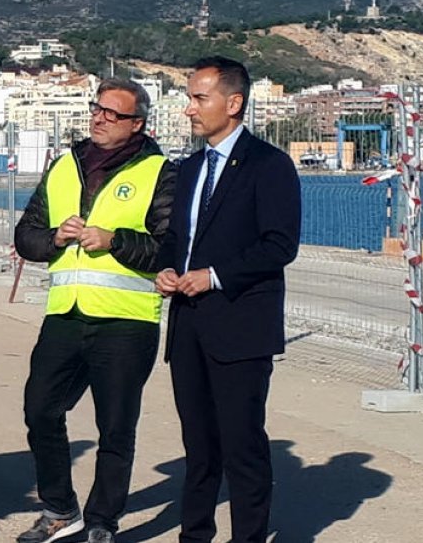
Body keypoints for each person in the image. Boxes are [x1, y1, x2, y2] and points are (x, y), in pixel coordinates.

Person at [14, 79, 177, 543]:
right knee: (40, 409)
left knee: (115, 427)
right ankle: (60, 507)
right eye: (97, 109)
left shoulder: (161, 172)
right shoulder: (64, 166)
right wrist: (55, 238)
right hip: (66, 313)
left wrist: (115, 240)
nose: (100, 118)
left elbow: (168, 249)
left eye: (113, 113)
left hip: (127, 320)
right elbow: (26, 236)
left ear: (138, 124)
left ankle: (102, 521)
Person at [154, 56, 300, 543]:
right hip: (188, 326)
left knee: (242, 446)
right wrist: (167, 269)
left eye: (200, 98)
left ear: (233, 103)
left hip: (240, 328)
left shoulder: (269, 165)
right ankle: (194, 535)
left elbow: (280, 244)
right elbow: (178, 238)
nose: (189, 110)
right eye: (188, 98)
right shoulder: (189, 168)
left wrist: (213, 277)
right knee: (198, 448)